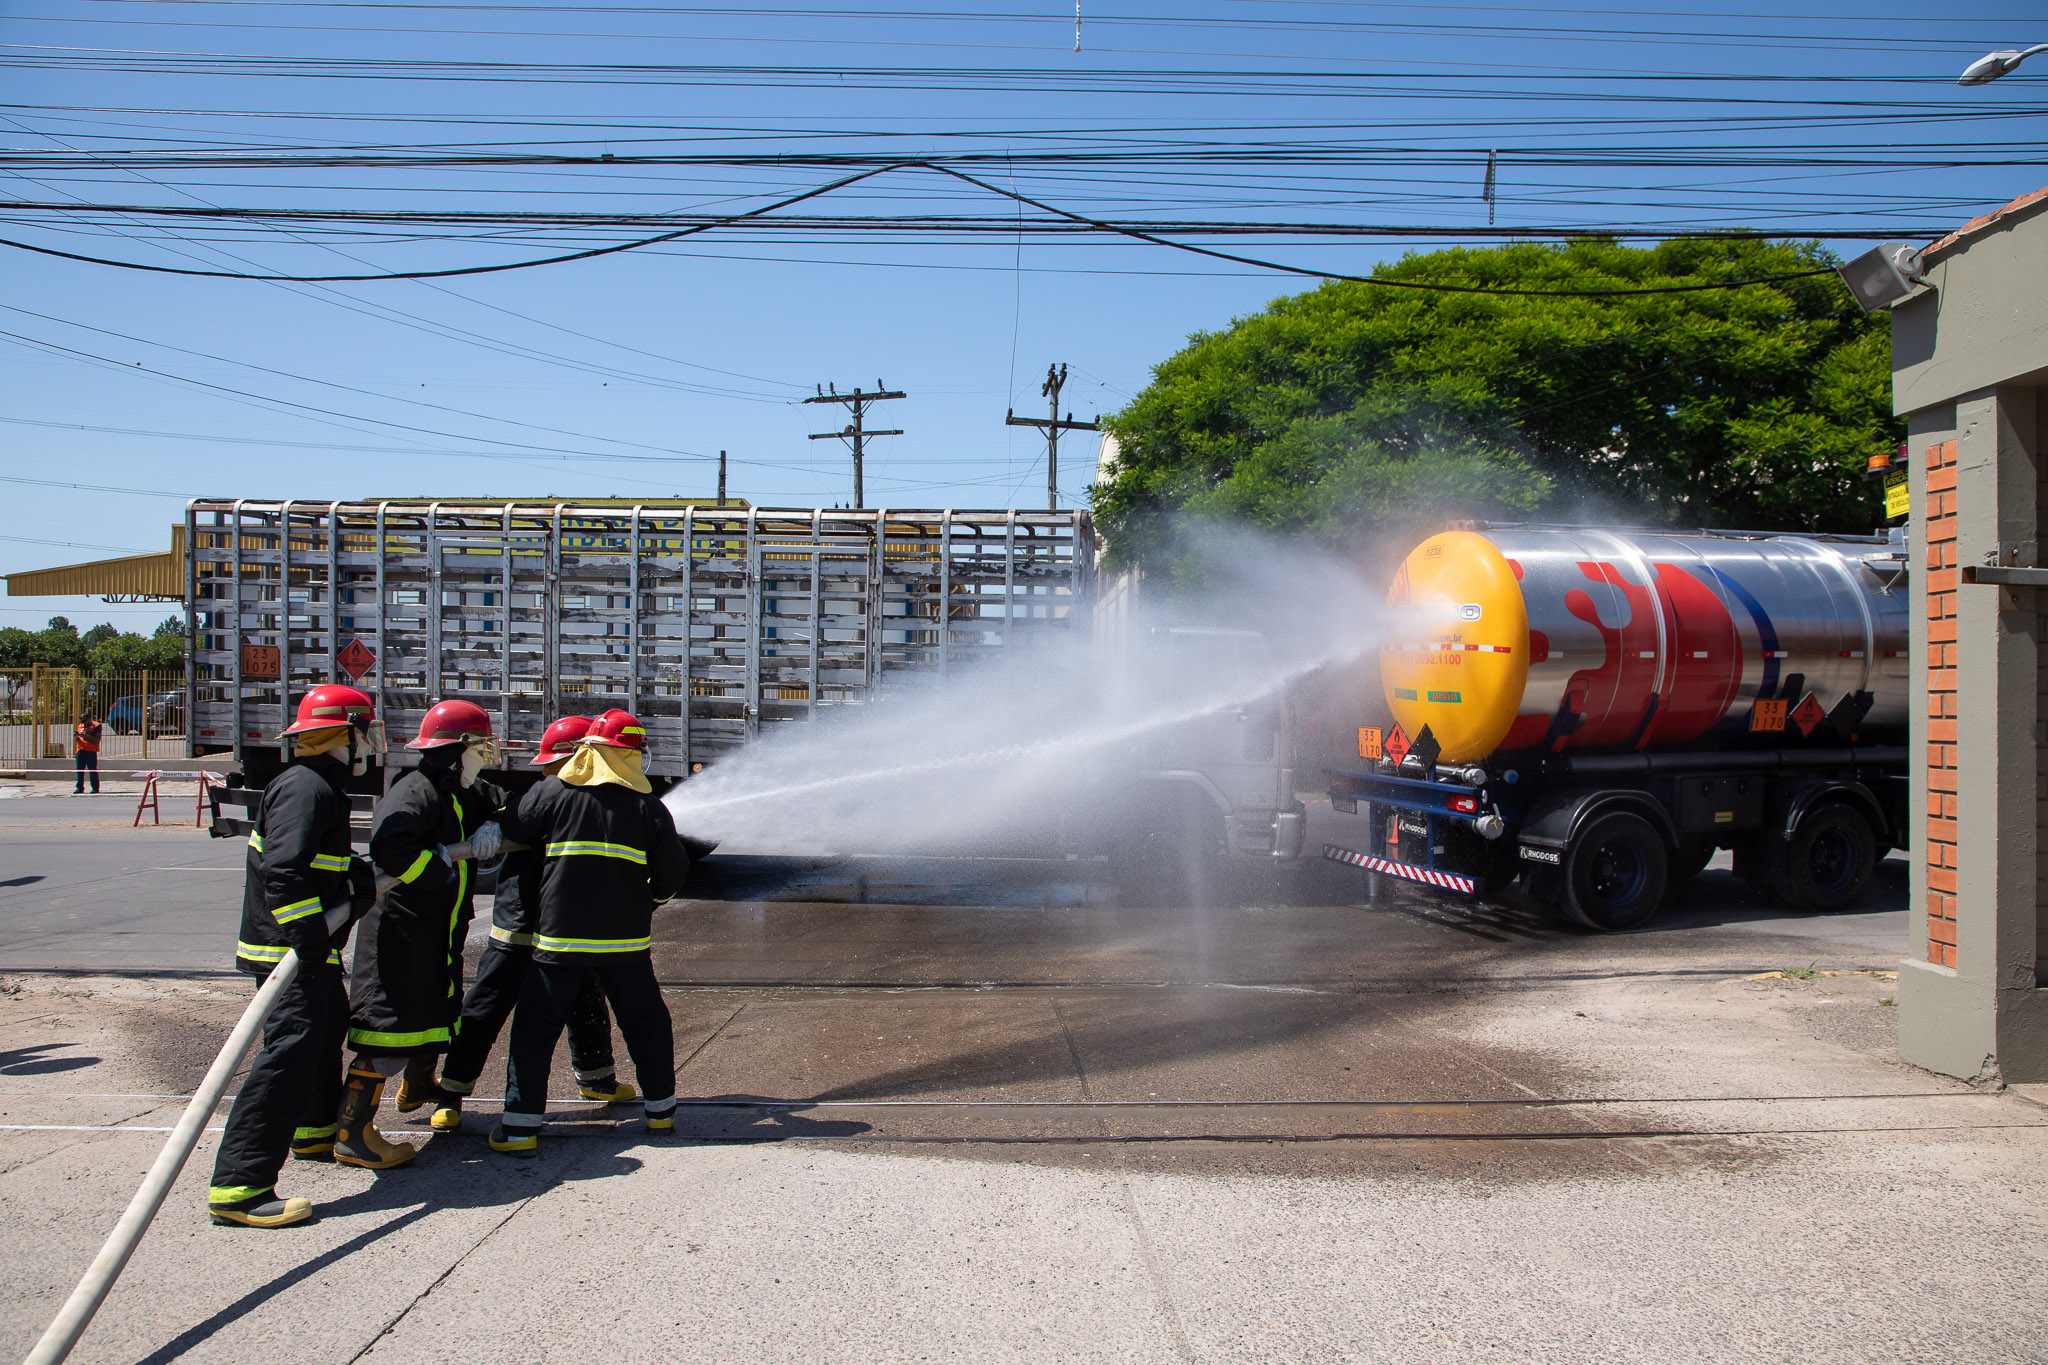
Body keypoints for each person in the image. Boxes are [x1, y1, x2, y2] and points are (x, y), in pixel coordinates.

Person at [207, 684, 383, 1228]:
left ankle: (313, 1134)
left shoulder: (315, 786)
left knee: (325, 1032)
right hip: (288, 948)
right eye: (364, 733)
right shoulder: (307, 789)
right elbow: (284, 872)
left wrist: (351, 877)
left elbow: (313, 864)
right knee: (289, 1053)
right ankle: (241, 1185)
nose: (369, 746)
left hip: (305, 946)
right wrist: (308, 942)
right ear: (345, 735)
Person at [492, 709, 689, 1156]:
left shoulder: (552, 793)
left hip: (559, 944)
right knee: (647, 1025)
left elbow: (513, 829)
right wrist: (645, 903)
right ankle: (660, 1114)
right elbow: (673, 876)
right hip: (626, 945)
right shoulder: (649, 808)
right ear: (630, 756)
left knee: (535, 1030)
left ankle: (520, 1129)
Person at [430, 714, 635, 1132]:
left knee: (585, 1001)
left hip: (567, 928)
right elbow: (507, 803)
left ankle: (597, 1080)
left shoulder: (587, 796)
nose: (544, 773)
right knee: (487, 1006)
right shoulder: (547, 792)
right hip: (520, 926)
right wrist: (495, 821)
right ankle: (451, 1093)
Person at [339, 698, 507, 1169]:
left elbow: (500, 803)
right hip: (402, 937)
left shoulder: (457, 789)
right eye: (479, 747)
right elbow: (390, 849)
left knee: (436, 1012)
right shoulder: (415, 792)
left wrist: (495, 823)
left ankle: (417, 1088)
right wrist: (440, 868)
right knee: (389, 1030)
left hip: (436, 933)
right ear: (457, 750)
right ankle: (353, 1132)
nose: (485, 756)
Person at [73, 711, 102, 795]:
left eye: (85, 721)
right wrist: (78, 738)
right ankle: (79, 787)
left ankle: (95, 787)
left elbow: (96, 740)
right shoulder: (81, 725)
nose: (83, 723)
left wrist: (83, 736)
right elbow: (80, 736)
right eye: (82, 721)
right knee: (79, 770)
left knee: (92, 770)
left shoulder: (96, 726)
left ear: (89, 719)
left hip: (90, 751)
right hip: (80, 749)